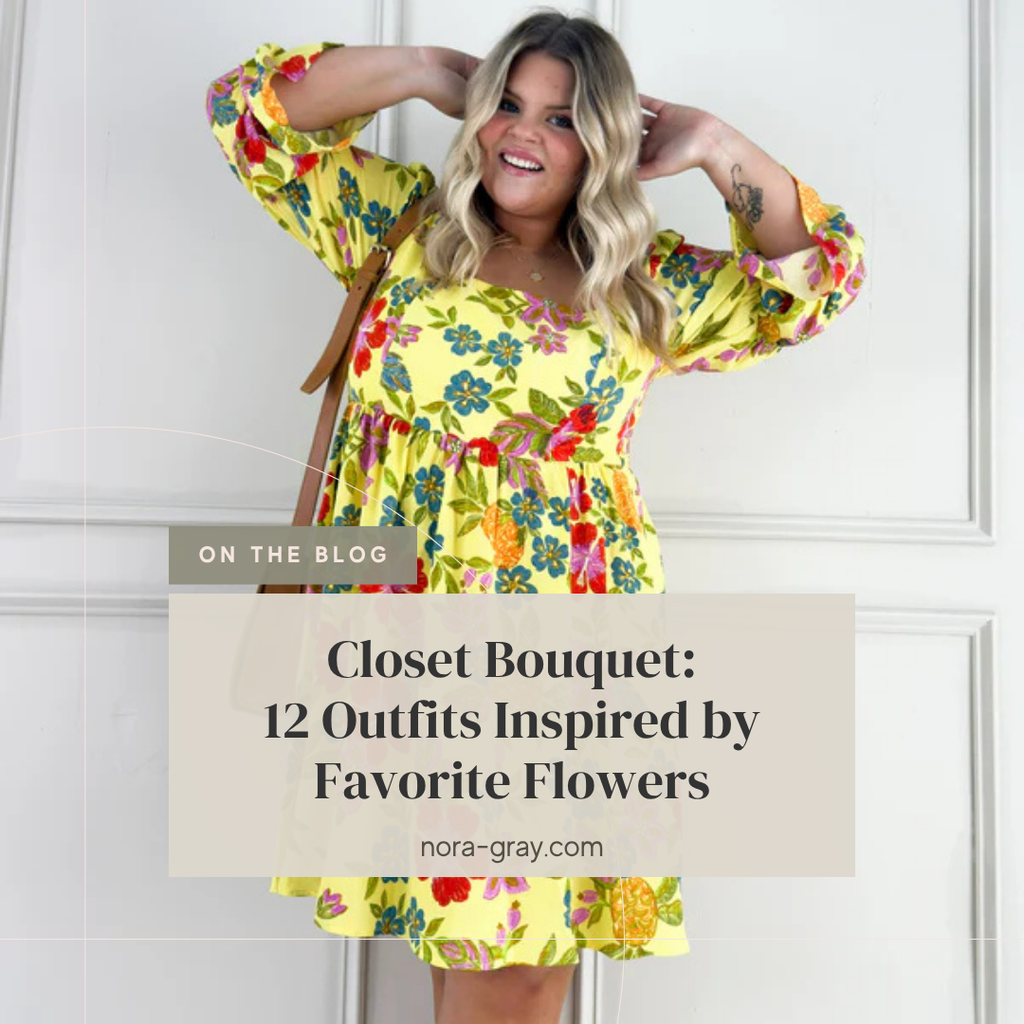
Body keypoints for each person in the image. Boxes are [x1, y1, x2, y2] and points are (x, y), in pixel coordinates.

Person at [206, 8, 866, 1022]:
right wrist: (426, 67)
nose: (523, 133)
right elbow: (248, 114)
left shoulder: (647, 280)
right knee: (463, 943)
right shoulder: (401, 227)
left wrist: (714, 142)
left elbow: (817, 280)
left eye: (561, 119)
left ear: (604, 140)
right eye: (508, 105)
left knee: (515, 965)